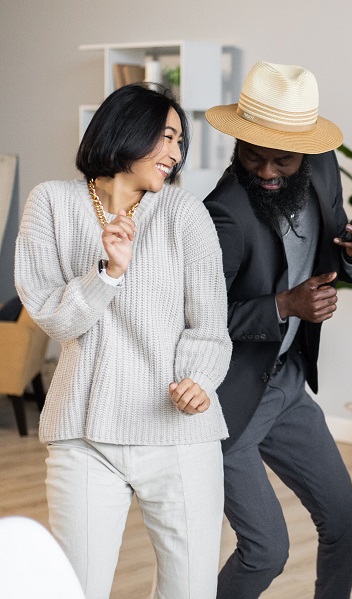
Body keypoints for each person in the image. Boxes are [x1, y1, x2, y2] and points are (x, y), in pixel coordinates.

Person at [14, 83, 232, 598]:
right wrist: (107, 275)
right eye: (166, 137)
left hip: (179, 433)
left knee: (191, 591)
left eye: (181, 142)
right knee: (77, 589)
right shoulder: (51, 203)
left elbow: (210, 328)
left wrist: (199, 379)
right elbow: (54, 318)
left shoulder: (186, 215)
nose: (176, 154)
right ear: (125, 131)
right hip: (85, 435)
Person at [203, 61, 352, 599]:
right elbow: (198, 321)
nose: (269, 171)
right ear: (238, 143)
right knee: (266, 553)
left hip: (286, 380)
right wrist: (283, 305)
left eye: (283, 158)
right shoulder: (223, 216)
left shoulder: (322, 166)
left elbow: (324, 246)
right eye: (254, 156)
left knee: (346, 522)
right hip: (228, 400)